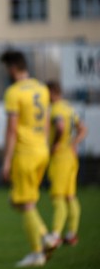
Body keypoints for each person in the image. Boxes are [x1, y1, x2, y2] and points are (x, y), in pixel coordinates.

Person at [0, 50, 53, 267]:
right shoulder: (42, 88)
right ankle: (41, 245)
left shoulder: (14, 92)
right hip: (42, 150)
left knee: (25, 202)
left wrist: (6, 160)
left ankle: (42, 244)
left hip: (25, 152)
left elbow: (12, 130)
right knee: (21, 201)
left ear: (12, 68)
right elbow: (47, 121)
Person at [45, 80, 87, 247]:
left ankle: (55, 235)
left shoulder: (56, 109)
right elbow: (83, 128)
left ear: (52, 92)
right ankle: (72, 234)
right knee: (71, 197)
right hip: (71, 156)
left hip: (60, 157)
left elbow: (60, 127)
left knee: (58, 197)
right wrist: (74, 143)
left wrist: (55, 143)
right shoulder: (69, 108)